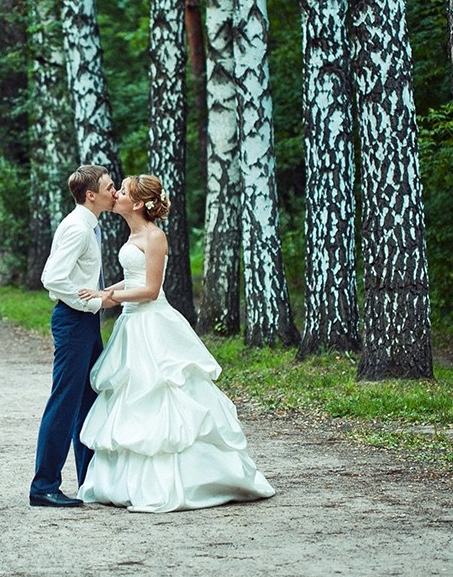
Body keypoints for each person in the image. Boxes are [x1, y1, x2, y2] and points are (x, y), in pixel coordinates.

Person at [75, 174, 275, 513]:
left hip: (152, 321)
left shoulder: (155, 236)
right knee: (132, 397)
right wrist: (109, 293)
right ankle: (123, 483)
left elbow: (151, 289)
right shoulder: (134, 233)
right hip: (131, 323)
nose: (116, 196)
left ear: (137, 203)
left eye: (122, 192)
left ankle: (191, 481)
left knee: (164, 392)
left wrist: (109, 297)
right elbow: (134, 277)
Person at [30, 165, 120, 507]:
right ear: (91, 195)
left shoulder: (88, 225)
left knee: (88, 400)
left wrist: (94, 298)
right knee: (64, 402)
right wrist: (90, 299)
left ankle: (89, 481)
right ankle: (44, 486)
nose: (115, 192)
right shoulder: (78, 228)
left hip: (85, 322)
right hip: (73, 320)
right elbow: (52, 277)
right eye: (109, 187)